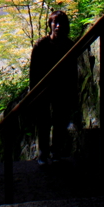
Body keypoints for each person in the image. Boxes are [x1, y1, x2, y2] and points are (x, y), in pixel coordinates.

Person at [29, 10, 77, 164]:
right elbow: (33, 70)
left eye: (60, 23)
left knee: (60, 121)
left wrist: (73, 91)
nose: (57, 26)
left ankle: (56, 151)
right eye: (54, 22)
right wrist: (33, 90)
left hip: (62, 88)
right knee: (43, 121)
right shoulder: (41, 45)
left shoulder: (70, 46)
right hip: (43, 89)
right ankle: (43, 153)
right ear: (49, 25)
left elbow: (73, 71)